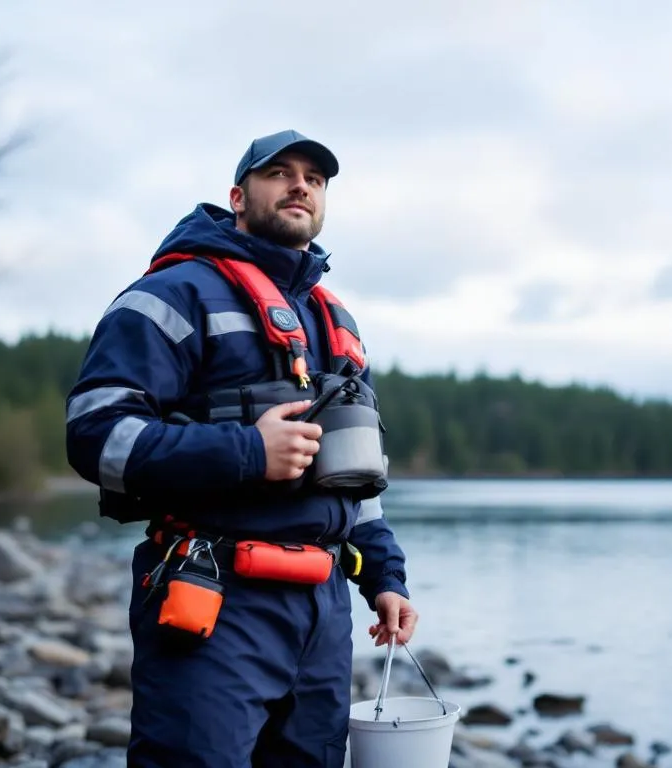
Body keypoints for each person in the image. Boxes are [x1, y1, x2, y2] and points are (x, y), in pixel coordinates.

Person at [63, 129, 417, 768]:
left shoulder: (335, 321)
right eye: (279, 172)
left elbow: (354, 481)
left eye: (314, 177)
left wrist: (386, 579)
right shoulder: (173, 294)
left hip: (323, 610)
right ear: (238, 196)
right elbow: (94, 434)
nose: (300, 184)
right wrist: (248, 452)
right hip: (209, 591)